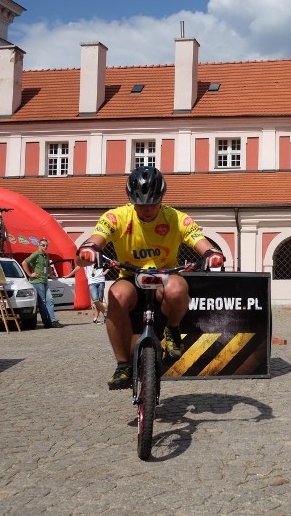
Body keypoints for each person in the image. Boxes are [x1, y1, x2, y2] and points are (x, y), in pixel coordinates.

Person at [76, 166, 225, 390]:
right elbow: (96, 239)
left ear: (161, 199)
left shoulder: (176, 218)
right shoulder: (116, 217)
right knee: (115, 295)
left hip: (165, 275)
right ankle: (123, 365)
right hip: (131, 276)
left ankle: (172, 329)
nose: (146, 209)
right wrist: (89, 249)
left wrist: (211, 253)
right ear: (131, 200)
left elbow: (200, 241)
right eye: (140, 204)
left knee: (177, 289)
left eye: (152, 203)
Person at [21, 238, 62, 328]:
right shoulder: (36, 254)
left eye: (46, 245)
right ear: (39, 245)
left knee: (50, 300)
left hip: (44, 280)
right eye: (43, 245)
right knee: (42, 302)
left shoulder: (46, 256)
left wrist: (51, 275)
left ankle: (52, 320)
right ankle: (47, 321)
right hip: (37, 281)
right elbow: (24, 262)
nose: (45, 247)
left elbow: (47, 266)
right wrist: (30, 274)